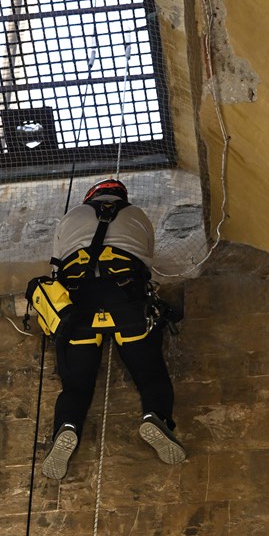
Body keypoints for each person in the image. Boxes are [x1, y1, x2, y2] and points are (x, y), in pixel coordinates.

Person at [36, 178, 185, 480]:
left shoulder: (71, 217)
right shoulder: (138, 216)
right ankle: (156, 417)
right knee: (150, 374)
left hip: (77, 311)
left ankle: (67, 428)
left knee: (76, 385)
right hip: (127, 304)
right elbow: (146, 261)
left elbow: (54, 270)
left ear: (90, 196)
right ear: (121, 196)